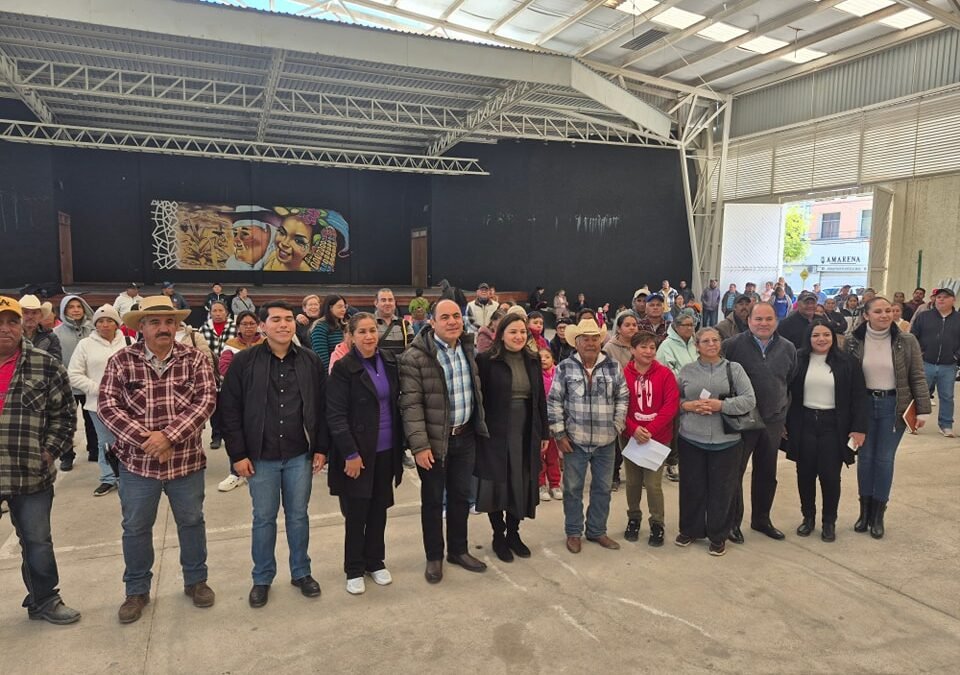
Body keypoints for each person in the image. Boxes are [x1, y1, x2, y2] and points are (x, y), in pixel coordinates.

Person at [97, 295, 218, 624]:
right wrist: (147, 440)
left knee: (191, 522)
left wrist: (169, 437)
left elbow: (206, 401)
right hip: (138, 465)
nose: (163, 328)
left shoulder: (194, 359)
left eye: (168, 322)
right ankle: (136, 590)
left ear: (176, 325)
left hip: (186, 464)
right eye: (155, 322)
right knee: (136, 528)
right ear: (142, 327)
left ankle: (196, 581)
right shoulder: (121, 361)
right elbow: (108, 406)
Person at [218, 301, 327, 607]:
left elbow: (321, 407)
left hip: (299, 456)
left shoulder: (310, 361)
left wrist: (321, 447)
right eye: (276, 320)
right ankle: (262, 578)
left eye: (289, 319)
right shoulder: (245, 362)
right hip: (261, 457)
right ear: (262, 326)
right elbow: (230, 410)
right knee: (263, 519)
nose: (283, 325)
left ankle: (301, 572)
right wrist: (237, 454)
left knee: (298, 517)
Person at [0, 296, 81, 625]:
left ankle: (44, 599)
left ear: (23, 326)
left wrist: (49, 451)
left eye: (12, 321)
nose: (5, 328)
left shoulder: (45, 364)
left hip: (29, 473)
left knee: (36, 541)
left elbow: (64, 415)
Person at [399, 299, 489, 583]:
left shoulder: (467, 348)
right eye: (445, 317)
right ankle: (434, 556)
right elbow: (411, 406)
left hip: (466, 438)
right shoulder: (415, 357)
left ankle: (458, 550)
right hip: (435, 445)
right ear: (432, 322)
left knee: (461, 498)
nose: (452, 322)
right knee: (433, 501)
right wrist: (420, 446)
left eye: (456, 316)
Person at [326, 312, 403, 595]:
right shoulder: (344, 369)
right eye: (362, 332)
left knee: (379, 510)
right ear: (351, 336)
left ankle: (376, 561)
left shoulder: (390, 361)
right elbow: (335, 415)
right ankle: (354, 568)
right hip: (358, 454)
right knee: (357, 513)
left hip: (386, 451)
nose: (369, 336)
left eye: (373, 330)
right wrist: (350, 453)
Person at [846, 297, 931, 538]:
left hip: (893, 405)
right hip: (863, 406)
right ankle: (864, 512)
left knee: (884, 459)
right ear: (866, 315)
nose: (885, 315)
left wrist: (922, 409)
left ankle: (878, 514)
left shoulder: (906, 340)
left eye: (889, 311)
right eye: (878, 311)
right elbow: (846, 378)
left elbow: (917, 375)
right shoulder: (854, 341)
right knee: (865, 458)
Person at [547, 318, 628, 554]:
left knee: (602, 488)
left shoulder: (613, 366)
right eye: (585, 339)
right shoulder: (564, 367)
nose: (591, 343)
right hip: (575, 441)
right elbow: (554, 402)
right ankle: (574, 532)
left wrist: (617, 426)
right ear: (577, 342)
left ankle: (597, 531)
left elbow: (623, 397)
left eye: (595, 338)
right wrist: (559, 434)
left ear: (600, 340)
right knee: (572, 489)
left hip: (606, 441)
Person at [784, 320, 868, 542]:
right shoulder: (798, 360)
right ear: (808, 338)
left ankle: (829, 521)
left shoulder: (848, 362)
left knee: (830, 477)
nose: (821, 339)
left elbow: (860, 397)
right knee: (805, 474)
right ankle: (808, 518)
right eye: (815, 335)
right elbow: (786, 392)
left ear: (833, 337)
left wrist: (859, 429)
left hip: (834, 426)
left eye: (826, 335)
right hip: (804, 423)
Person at [675, 327, 756, 556]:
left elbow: (749, 400)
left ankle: (718, 535)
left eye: (715, 340)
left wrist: (722, 406)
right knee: (692, 488)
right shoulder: (687, 370)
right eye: (705, 341)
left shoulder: (734, 369)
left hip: (727, 441)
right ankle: (690, 530)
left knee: (723, 490)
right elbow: (676, 398)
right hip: (691, 439)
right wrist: (687, 406)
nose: (711, 344)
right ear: (696, 345)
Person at [475, 314, 548, 563]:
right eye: (512, 332)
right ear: (501, 334)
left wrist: (544, 432)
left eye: (522, 332)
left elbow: (540, 400)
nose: (518, 337)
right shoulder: (486, 361)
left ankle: (514, 534)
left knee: (521, 482)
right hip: (495, 434)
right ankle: (498, 535)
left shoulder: (533, 360)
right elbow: (479, 400)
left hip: (526, 430)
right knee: (497, 485)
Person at [723, 302, 797, 543]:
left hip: (773, 421)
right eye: (758, 319)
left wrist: (783, 413)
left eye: (768, 319)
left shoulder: (788, 348)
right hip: (742, 421)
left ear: (776, 321)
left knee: (767, 472)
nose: (763, 324)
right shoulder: (732, 346)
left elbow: (789, 380)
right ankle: (733, 522)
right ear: (749, 321)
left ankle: (761, 519)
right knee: (735, 472)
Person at [622, 331, 679, 547]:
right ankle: (633, 518)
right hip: (630, 438)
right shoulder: (623, 375)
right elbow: (619, 406)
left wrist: (650, 430)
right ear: (632, 350)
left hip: (657, 439)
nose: (649, 351)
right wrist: (633, 429)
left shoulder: (665, 374)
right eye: (643, 347)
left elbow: (670, 406)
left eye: (652, 347)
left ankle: (657, 522)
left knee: (654, 485)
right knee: (633, 482)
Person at [67, 305, 129, 496]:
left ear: (117, 323)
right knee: (106, 442)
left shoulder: (129, 341)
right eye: (100, 321)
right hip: (98, 404)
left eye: (109, 320)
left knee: (129, 440)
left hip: (127, 404)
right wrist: (99, 389)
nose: (105, 324)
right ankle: (109, 478)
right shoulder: (85, 344)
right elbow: (73, 374)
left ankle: (130, 476)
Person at [216, 310, 264, 493]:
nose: (249, 327)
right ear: (238, 326)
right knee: (235, 433)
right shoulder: (230, 345)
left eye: (252, 323)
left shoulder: (267, 343)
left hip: (263, 398)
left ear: (258, 324)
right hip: (238, 398)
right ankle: (235, 473)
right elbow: (225, 369)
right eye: (244, 324)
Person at [54, 294, 97, 471]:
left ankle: (94, 450)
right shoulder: (56, 333)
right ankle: (66, 455)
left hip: (89, 385)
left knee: (92, 420)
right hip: (67, 387)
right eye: (71, 307)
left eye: (78, 306)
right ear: (64, 311)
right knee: (66, 422)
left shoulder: (93, 331)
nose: (76, 310)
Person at [910, 287, 959, 437]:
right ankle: (912, 423)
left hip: (948, 365)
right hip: (925, 363)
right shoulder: (924, 317)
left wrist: (956, 356)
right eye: (938, 297)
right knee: (919, 394)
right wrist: (918, 354)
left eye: (945, 297)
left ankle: (946, 425)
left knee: (947, 396)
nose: (941, 300)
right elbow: (913, 337)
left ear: (953, 300)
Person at [199, 300, 236, 450]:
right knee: (214, 407)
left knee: (230, 407)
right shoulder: (203, 329)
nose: (218, 314)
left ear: (226, 312)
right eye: (214, 311)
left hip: (230, 374)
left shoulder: (235, 327)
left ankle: (231, 435)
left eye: (221, 310)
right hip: (211, 373)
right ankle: (216, 436)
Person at [537, 349, 563, 502]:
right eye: (540, 357)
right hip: (541, 422)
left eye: (547, 357)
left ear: (553, 358)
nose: (544, 360)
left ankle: (555, 484)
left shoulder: (559, 373)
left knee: (553, 455)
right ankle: (541, 484)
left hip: (555, 421)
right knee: (540, 455)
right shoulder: (535, 375)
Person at [18, 294, 62, 361]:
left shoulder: (50, 337)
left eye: (34, 313)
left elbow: (56, 364)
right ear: (19, 315)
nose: (30, 316)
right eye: (25, 312)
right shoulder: (11, 335)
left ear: (40, 316)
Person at [310, 294, 347, 372]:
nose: (343, 309)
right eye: (340, 307)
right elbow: (322, 358)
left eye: (344, 307)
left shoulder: (344, 326)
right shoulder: (320, 327)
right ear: (330, 308)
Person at [656, 310, 698, 377]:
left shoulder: (696, 344)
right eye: (686, 325)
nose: (690, 328)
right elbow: (666, 372)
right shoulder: (666, 345)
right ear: (676, 327)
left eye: (692, 325)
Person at [374, 288, 412, 356]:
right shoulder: (369, 323)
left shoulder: (405, 324)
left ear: (395, 303)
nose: (387, 303)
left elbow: (411, 351)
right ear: (376, 303)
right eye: (383, 300)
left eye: (390, 300)